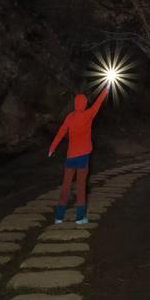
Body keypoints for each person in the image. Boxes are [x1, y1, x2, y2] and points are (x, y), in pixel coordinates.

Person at [49, 86, 110, 223]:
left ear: (75, 104)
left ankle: (59, 217)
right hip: (83, 156)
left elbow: (60, 133)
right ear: (83, 104)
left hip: (71, 157)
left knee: (66, 185)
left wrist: (52, 148)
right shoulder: (88, 115)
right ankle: (80, 217)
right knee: (81, 185)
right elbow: (98, 103)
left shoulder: (70, 117)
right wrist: (106, 89)